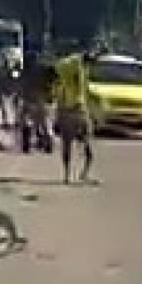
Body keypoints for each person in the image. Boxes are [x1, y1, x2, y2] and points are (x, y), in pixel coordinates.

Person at [54, 45, 101, 184]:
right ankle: (76, 175)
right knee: (82, 146)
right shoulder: (75, 69)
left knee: (69, 145)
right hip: (74, 111)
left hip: (70, 111)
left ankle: (68, 175)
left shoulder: (71, 70)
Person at [19, 51, 55, 153]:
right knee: (45, 124)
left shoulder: (25, 71)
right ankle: (48, 145)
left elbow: (21, 86)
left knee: (28, 123)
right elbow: (52, 80)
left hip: (31, 100)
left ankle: (27, 145)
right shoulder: (43, 69)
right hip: (41, 100)